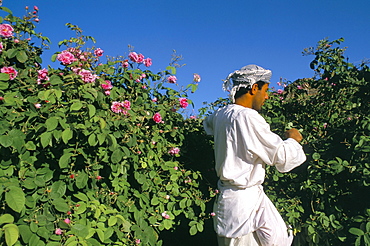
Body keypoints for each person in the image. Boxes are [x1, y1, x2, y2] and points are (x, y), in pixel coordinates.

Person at [203, 65, 306, 246]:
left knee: (279, 238)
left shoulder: (220, 114)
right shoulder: (248, 117)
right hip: (240, 205)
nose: (267, 96)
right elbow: (280, 155)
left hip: (245, 197)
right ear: (254, 88)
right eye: (265, 90)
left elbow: (207, 125)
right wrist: (293, 140)